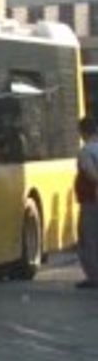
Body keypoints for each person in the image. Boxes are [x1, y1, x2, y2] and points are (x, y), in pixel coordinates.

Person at [75, 117, 98, 289]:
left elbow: (91, 174)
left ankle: (94, 277)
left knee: (88, 238)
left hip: (91, 200)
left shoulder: (85, 151)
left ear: (83, 133)